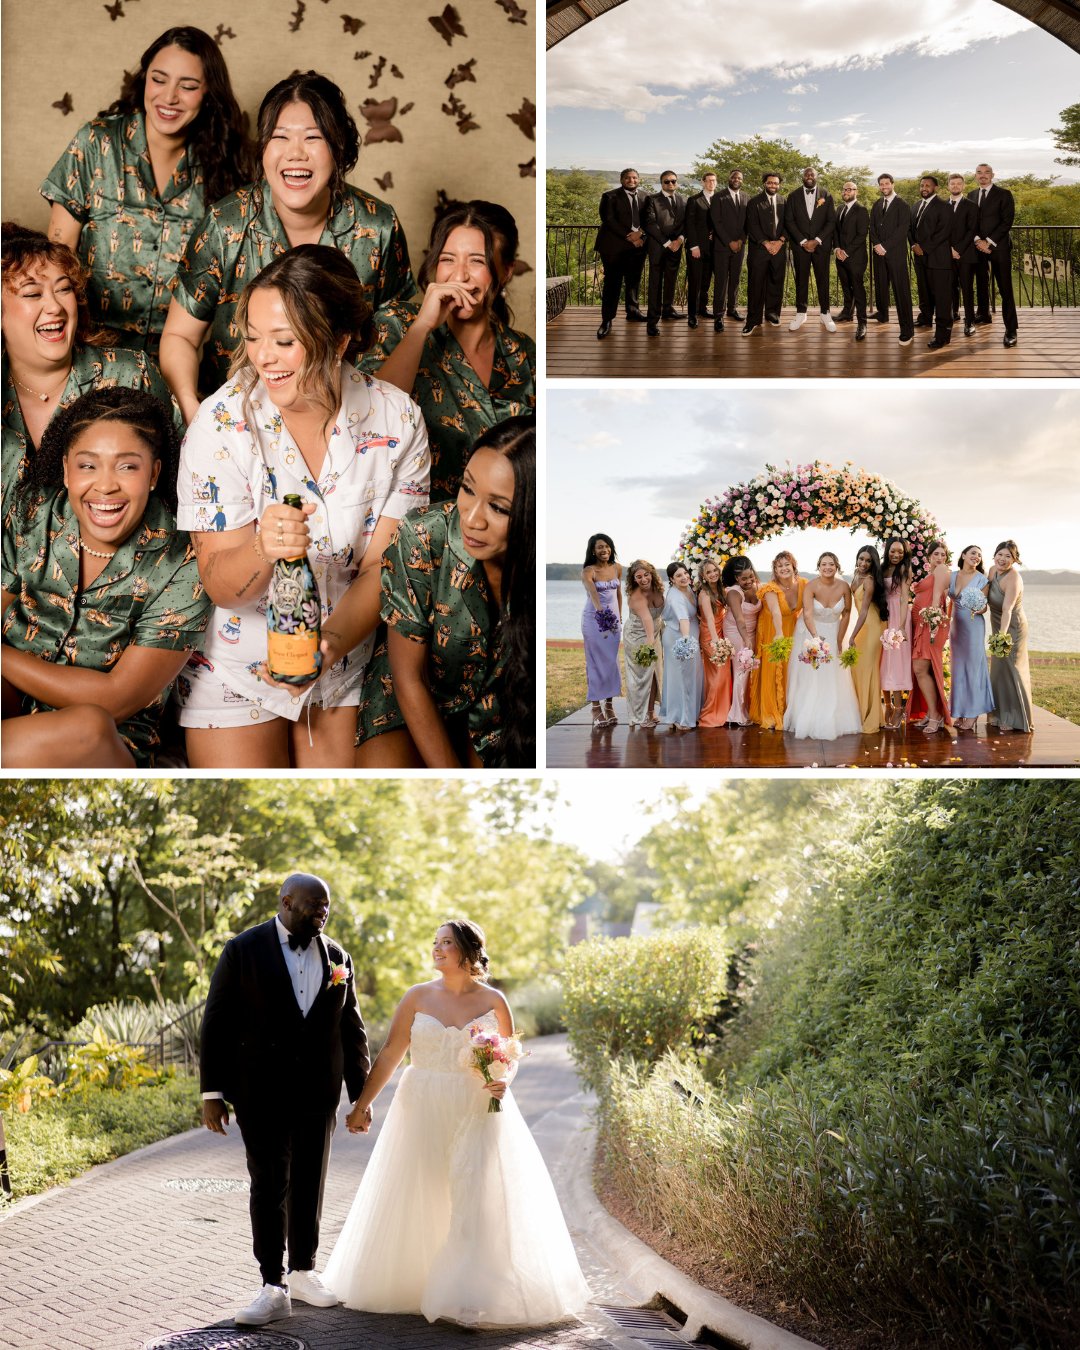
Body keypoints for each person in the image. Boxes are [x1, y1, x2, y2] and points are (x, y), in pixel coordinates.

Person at [174, 245, 430, 769]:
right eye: (253, 338)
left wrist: (328, 646)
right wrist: (262, 549)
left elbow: (382, 568)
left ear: (339, 340)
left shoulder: (399, 420)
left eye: (285, 341)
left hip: (345, 658)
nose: (263, 357)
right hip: (238, 666)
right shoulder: (220, 423)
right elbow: (220, 585)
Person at [323, 919, 590, 1327]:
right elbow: (391, 1052)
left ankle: (469, 1290)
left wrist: (503, 1080)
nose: (436, 948)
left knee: (475, 1193)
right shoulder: (416, 996)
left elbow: (509, 1055)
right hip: (422, 1104)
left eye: (446, 942)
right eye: (435, 941)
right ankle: (415, 1282)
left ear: (467, 950)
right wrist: (362, 1104)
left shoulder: (494, 1000)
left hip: (476, 1105)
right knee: (421, 1188)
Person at [162, 70, 414, 419]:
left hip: (346, 421)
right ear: (263, 148)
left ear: (338, 148)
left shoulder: (378, 226)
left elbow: (399, 338)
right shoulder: (225, 224)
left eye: (313, 137)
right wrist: (195, 413)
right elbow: (180, 337)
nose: (296, 153)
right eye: (280, 137)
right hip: (236, 423)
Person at [2, 387, 207, 768]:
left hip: (107, 740)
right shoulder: (35, 511)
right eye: (87, 466)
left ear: (153, 473)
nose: (106, 485)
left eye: (127, 467)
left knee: (87, 725)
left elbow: (115, 700)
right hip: (13, 699)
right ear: (66, 469)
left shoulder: (185, 561)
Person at [200, 872, 370, 1328]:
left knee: (310, 1181)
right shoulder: (242, 950)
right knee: (269, 1183)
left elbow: (351, 1030)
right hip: (260, 1091)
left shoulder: (338, 956)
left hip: (318, 1093)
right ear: (287, 901)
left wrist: (361, 1096)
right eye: (314, 904)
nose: (322, 912)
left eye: (326, 906)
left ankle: (303, 1272)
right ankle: (272, 1284)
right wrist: (212, 1093)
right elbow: (216, 1022)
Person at [40, 26, 250, 353]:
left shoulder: (224, 166)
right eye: (159, 79)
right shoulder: (96, 143)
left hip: (177, 356)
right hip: (88, 348)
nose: (169, 97)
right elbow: (58, 256)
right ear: (144, 80)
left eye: (188, 86)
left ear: (209, 93)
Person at [354, 418, 534, 768]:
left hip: (502, 710)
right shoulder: (423, 535)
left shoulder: (535, 571)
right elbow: (410, 679)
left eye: (498, 508)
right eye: (468, 489)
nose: (472, 519)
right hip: (414, 690)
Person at [359, 201, 534, 502]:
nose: (460, 276)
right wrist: (422, 327)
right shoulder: (396, 323)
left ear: (505, 272)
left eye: (477, 261)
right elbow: (366, 420)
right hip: (408, 519)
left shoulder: (524, 354)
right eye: (448, 259)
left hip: (499, 522)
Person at [2, 223, 181, 497]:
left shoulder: (133, 373)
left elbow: (182, 481)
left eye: (63, 289)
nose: (55, 307)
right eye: (33, 294)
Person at [783, 551, 862, 740]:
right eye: (824, 564)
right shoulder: (811, 586)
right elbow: (808, 614)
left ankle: (836, 717)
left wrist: (839, 640)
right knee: (813, 676)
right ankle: (809, 717)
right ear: (818, 567)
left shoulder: (844, 586)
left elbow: (847, 613)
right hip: (812, 632)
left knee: (835, 674)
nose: (828, 567)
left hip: (835, 632)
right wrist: (816, 640)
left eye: (831, 564)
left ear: (837, 567)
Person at [751, 549, 805, 729]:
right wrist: (779, 634)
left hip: (793, 628)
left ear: (794, 566)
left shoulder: (803, 584)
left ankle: (790, 710)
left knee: (791, 668)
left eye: (787, 564)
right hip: (773, 629)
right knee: (773, 667)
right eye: (779, 566)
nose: (783, 568)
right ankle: (772, 712)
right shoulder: (770, 588)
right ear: (774, 569)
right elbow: (775, 612)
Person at [594, 168, 649, 338]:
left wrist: (641, 234)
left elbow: (649, 219)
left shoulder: (646, 197)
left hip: (638, 247)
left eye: (634, 178)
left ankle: (633, 311)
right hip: (614, 248)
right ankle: (607, 320)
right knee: (612, 283)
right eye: (627, 178)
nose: (631, 180)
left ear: (638, 179)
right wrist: (631, 237)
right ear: (621, 179)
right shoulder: (609, 196)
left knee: (633, 281)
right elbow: (609, 220)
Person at [969, 164, 1018, 347]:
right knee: (981, 283)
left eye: (986, 172)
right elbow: (970, 222)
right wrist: (977, 240)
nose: (983, 175)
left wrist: (988, 242)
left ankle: (1011, 329)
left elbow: (1007, 222)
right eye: (979, 173)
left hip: (999, 247)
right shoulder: (971, 195)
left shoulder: (1004, 194)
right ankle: (983, 314)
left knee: (1005, 289)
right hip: (977, 247)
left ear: (992, 175)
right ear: (975, 176)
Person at [906, 541, 952, 734]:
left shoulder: (941, 570)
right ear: (928, 557)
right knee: (924, 670)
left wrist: (932, 616)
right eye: (936, 554)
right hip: (921, 624)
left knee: (920, 668)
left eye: (943, 554)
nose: (940, 558)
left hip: (930, 624)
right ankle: (931, 712)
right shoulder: (932, 573)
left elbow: (938, 596)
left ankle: (935, 715)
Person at [987, 540, 1032, 732]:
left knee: (1011, 667)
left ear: (1014, 560)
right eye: (1000, 554)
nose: (1003, 559)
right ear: (994, 555)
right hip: (997, 623)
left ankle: (1015, 718)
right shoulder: (992, 571)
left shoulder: (1014, 578)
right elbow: (985, 595)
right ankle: (998, 714)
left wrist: (1001, 637)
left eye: (1008, 556)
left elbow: (1007, 609)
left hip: (1012, 626)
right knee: (998, 669)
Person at [948, 544, 995, 732]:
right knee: (958, 669)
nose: (976, 557)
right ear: (963, 555)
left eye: (979, 555)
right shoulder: (952, 576)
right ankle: (960, 711)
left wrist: (978, 607)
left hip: (973, 626)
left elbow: (984, 607)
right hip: (956, 628)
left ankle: (973, 713)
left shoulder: (982, 579)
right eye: (973, 553)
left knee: (973, 669)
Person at [784, 166, 836, 332]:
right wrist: (803, 241)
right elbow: (789, 221)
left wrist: (817, 240)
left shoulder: (826, 195)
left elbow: (831, 221)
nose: (809, 176)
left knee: (823, 280)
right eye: (806, 174)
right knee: (801, 280)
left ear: (816, 176)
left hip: (821, 246)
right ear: (802, 176)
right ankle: (801, 313)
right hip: (800, 247)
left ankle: (825, 313)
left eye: (812, 174)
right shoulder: (793, 196)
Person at [580, 532, 622, 729]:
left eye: (606, 546)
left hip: (614, 622)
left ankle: (609, 705)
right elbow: (594, 595)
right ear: (593, 551)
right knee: (595, 662)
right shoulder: (589, 571)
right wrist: (603, 616)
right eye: (600, 547)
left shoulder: (617, 568)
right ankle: (596, 707)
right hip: (594, 620)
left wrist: (619, 618)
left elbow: (618, 594)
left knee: (611, 662)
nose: (604, 550)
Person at [845, 546, 888, 733]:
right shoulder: (855, 575)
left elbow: (863, 611)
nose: (863, 563)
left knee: (868, 669)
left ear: (873, 563)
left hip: (872, 626)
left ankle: (870, 716)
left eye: (868, 561)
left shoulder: (869, 581)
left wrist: (852, 635)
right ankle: (858, 713)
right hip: (862, 626)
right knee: (856, 668)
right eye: (861, 559)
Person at [869, 173, 914, 346]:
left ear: (892, 184)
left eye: (887, 183)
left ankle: (907, 330)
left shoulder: (902, 205)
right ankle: (882, 314)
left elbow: (902, 230)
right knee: (881, 286)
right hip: (879, 254)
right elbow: (872, 227)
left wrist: (885, 246)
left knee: (901, 292)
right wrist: (876, 244)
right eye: (881, 184)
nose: (884, 186)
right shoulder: (877, 204)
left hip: (895, 255)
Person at [910, 176, 954, 350]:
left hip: (938, 259)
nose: (924, 188)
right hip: (920, 258)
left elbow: (944, 232)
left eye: (928, 185)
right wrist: (913, 245)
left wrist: (924, 248)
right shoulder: (915, 206)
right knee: (924, 293)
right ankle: (925, 319)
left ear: (935, 187)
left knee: (942, 299)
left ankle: (942, 336)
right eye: (922, 185)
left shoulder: (944, 206)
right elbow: (909, 229)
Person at [658, 562, 701, 732]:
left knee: (691, 676)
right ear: (671, 579)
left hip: (689, 634)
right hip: (679, 637)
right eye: (678, 575)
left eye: (685, 573)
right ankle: (679, 717)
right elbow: (683, 619)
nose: (684, 577)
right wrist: (686, 641)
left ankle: (687, 713)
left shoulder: (689, 588)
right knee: (680, 677)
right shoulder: (675, 596)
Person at [743, 172, 787, 337]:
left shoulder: (784, 201)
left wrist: (780, 241)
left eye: (775, 183)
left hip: (779, 249)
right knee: (756, 285)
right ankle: (753, 320)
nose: (773, 185)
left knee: (776, 282)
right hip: (759, 250)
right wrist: (766, 243)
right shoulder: (754, 202)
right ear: (764, 184)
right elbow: (752, 225)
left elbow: (789, 223)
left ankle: (772, 314)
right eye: (770, 183)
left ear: (779, 185)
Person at [623, 559, 665, 729]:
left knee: (655, 673)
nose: (643, 579)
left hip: (654, 633)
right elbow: (647, 621)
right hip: (638, 636)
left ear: (652, 573)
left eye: (646, 574)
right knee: (642, 677)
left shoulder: (659, 588)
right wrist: (649, 646)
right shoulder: (636, 597)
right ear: (633, 579)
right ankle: (640, 714)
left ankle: (650, 711)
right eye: (638, 577)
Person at [644, 172, 687, 336]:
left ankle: (667, 310)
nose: (670, 184)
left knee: (671, 280)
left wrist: (680, 240)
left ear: (677, 182)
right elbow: (650, 224)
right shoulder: (652, 199)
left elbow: (686, 223)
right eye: (667, 181)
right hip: (658, 248)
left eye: (673, 181)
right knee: (655, 284)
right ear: (661, 183)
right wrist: (668, 243)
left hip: (676, 248)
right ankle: (652, 321)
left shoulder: (682, 200)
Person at [720, 555, 761, 726]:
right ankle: (737, 715)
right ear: (736, 578)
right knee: (741, 670)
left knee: (749, 671)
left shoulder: (758, 587)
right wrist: (746, 640)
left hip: (751, 632)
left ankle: (746, 708)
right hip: (736, 632)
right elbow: (739, 619)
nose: (749, 581)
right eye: (744, 579)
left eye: (751, 576)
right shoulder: (733, 593)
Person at [881, 537, 913, 730]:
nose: (896, 554)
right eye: (893, 551)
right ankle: (888, 705)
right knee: (883, 662)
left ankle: (900, 708)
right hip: (883, 616)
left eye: (900, 551)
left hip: (898, 616)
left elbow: (903, 599)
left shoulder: (904, 569)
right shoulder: (882, 568)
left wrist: (900, 626)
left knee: (896, 662)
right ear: (887, 550)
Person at [709, 169, 748, 327]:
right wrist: (729, 242)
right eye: (734, 177)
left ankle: (732, 309)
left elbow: (748, 222)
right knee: (721, 280)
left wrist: (740, 240)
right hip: (722, 246)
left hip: (739, 246)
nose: (736, 179)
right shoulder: (718, 197)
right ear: (729, 178)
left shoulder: (746, 197)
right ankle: (718, 315)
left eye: (739, 178)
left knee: (735, 279)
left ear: (742, 180)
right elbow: (716, 222)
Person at [696, 558, 732, 726]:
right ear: (703, 576)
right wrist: (716, 642)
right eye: (708, 572)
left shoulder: (721, 589)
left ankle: (724, 710)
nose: (713, 574)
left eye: (715, 570)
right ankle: (710, 713)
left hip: (722, 632)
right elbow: (710, 618)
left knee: (724, 673)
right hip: (710, 636)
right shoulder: (704, 594)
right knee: (718, 674)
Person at [833, 181, 869, 340]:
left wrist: (846, 252)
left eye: (850, 189)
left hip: (856, 258)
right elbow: (835, 231)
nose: (846, 191)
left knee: (858, 290)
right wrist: (837, 249)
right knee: (846, 287)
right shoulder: (839, 208)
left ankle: (862, 323)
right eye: (844, 189)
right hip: (840, 256)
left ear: (856, 192)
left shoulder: (861, 210)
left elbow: (861, 235)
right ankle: (847, 313)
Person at [946, 174, 979, 338]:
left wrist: (957, 250)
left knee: (967, 289)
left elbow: (972, 230)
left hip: (966, 254)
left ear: (963, 186)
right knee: (950, 287)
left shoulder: (971, 206)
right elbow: (939, 231)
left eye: (959, 183)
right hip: (947, 254)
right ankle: (953, 314)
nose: (955, 186)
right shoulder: (942, 205)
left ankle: (970, 321)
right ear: (948, 186)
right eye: (952, 183)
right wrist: (949, 249)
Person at [684, 172, 717, 329]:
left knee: (706, 281)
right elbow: (689, 224)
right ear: (703, 182)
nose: (711, 183)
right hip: (697, 248)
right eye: (708, 181)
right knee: (695, 282)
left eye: (714, 181)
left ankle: (702, 309)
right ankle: (692, 314)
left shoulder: (719, 199)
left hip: (713, 249)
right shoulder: (694, 200)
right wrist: (693, 246)